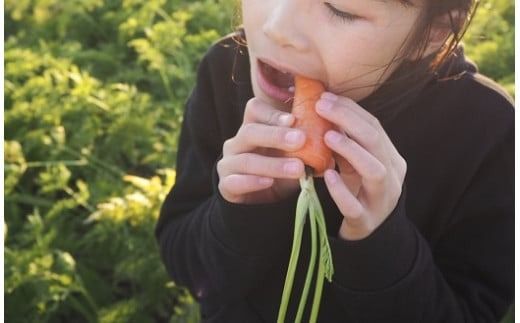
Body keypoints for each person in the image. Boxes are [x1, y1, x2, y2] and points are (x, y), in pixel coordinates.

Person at [155, 0, 514, 322]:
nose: (277, 27)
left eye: (340, 9)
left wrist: (382, 246)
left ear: (434, 32)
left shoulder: (489, 133)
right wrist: (237, 217)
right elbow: (183, 261)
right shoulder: (224, 70)